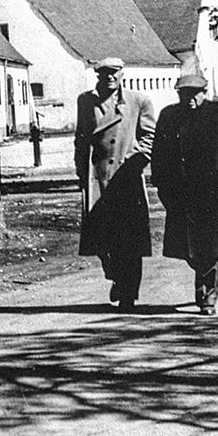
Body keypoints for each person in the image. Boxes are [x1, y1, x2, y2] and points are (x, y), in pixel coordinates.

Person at [152, 74, 218, 316]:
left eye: (194, 94)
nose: (189, 99)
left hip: (211, 193)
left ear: (205, 91)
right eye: (183, 94)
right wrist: (163, 187)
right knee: (187, 249)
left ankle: (207, 295)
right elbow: (158, 155)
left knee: (209, 246)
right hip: (181, 194)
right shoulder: (169, 116)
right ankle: (207, 275)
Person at [74, 57, 155, 311]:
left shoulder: (138, 101)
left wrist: (137, 158)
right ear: (97, 75)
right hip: (98, 178)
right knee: (100, 237)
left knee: (130, 238)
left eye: (114, 72)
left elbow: (149, 137)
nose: (109, 77)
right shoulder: (86, 101)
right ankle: (117, 276)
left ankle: (128, 293)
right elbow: (81, 139)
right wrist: (80, 172)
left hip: (126, 178)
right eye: (104, 73)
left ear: (122, 74)